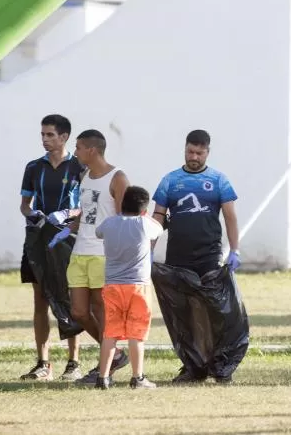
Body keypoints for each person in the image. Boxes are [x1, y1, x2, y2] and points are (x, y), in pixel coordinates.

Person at [151, 129, 241, 384]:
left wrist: (234, 250)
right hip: (178, 257)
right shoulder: (170, 180)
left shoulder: (219, 180)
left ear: (207, 152)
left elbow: (230, 217)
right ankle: (192, 366)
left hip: (209, 256)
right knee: (183, 313)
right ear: (185, 149)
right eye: (190, 152)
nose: (194, 157)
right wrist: (147, 250)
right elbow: (158, 217)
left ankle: (220, 366)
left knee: (213, 311)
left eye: (199, 153)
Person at [60, 129, 130, 385]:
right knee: (78, 312)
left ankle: (105, 366)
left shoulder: (118, 177)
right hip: (80, 251)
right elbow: (87, 212)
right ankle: (115, 353)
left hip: (102, 254)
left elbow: (123, 220)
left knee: (102, 311)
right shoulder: (85, 176)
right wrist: (68, 226)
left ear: (92, 150)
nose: (75, 152)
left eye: (78, 147)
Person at [18, 114, 84, 382]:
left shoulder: (79, 166)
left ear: (64, 137)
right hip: (39, 239)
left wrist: (68, 213)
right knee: (40, 300)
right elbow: (24, 205)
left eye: (50, 135)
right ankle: (43, 363)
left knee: (68, 298)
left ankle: (74, 362)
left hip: (67, 238)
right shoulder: (34, 167)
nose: (44, 139)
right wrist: (31, 214)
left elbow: (87, 205)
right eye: (42, 134)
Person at [94, 185, 162, 390]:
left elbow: (98, 233)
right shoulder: (144, 224)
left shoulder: (109, 224)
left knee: (110, 333)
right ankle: (137, 377)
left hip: (112, 286)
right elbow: (159, 229)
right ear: (143, 210)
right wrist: (146, 216)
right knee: (136, 333)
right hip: (138, 286)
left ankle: (103, 378)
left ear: (122, 204)